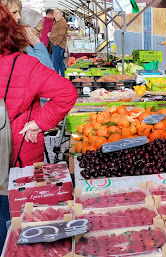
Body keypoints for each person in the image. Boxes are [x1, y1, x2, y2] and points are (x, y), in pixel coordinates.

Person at [0, 3, 77, 251]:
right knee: (16, 224)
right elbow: (66, 92)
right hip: (17, 159)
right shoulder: (22, 64)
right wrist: (38, 122)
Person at [49, 8, 67, 76]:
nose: (56, 14)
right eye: (55, 13)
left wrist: (56, 43)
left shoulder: (62, 22)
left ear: (61, 14)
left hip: (58, 45)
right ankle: (63, 76)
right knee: (60, 62)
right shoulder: (57, 22)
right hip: (57, 44)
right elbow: (57, 32)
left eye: (57, 13)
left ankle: (56, 78)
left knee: (54, 63)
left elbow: (61, 35)